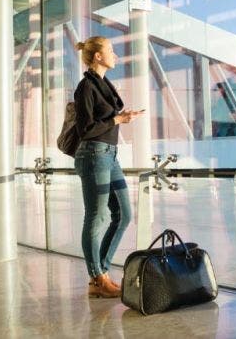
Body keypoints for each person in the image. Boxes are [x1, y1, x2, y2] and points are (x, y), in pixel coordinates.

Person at [73, 36, 144, 298]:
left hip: (110, 155)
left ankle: (100, 272)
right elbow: (86, 129)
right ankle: (97, 277)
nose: (115, 55)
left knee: (124, 214)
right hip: (94, 154)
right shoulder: (85, 88)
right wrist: (117, 120)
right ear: (98, 57)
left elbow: (109, 118)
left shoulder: (102, 84)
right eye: (111, 51)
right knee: (96, 216)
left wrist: (123, 118)